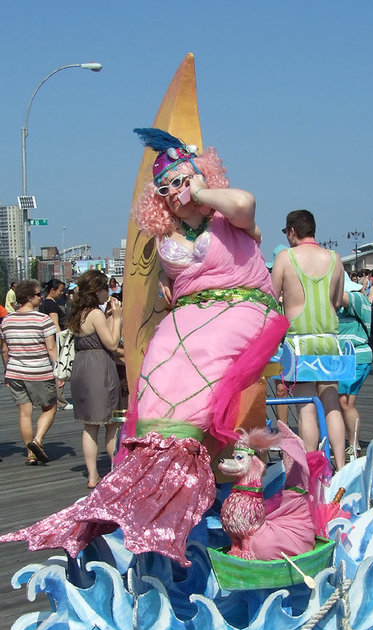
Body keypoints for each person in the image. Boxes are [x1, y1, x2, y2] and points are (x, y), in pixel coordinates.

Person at [0, 129, 288, 565]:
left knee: (205, 352)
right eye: (165, 187)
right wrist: (168, 298)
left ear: (199, 174)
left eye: (180, 180)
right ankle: (156, 461)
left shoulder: (228, 217)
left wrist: (203, 190)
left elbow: (247, 204)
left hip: (244, 305)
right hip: (193, 313)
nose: (174, 191)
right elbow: (169, 289)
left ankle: (184, 462)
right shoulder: (166, 240)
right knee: (159, 356)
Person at [271, 210, 346, 469]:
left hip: (299, 342)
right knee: (331, 402)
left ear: (292, 231)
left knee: (305, 406)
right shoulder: (335, 259)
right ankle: (342, 463)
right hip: (328, 339)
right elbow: (336, 302)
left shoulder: (285, 257)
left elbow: (272, 297)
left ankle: (310, 466)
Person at [68, 270, 123, 489]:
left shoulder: (77, 312)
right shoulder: (95, 314)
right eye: (106, 289)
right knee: (113, 423)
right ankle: (117, 470)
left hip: (82, 367)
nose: (108, 293)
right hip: (100, 369)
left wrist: (110, 315)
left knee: (90, 425)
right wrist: (117, 318)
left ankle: (92, 476)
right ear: (97, 290)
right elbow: (111, 343)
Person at [0, 279, 58, 465]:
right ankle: (37, 440)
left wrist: (7, 370)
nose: (41, 297)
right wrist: (58, 369)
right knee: (50, 407)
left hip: (15, 371)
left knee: (25, 413)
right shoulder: (43, 319)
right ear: (29, 297)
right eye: (38, 294)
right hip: (39, 370)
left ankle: (30, 454)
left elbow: (4, 350)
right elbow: (51, 349)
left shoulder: (7, 321)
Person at [338, 272, 373, 457]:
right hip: (343, 359)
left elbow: (339, 296)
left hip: (356, 357)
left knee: (344, 402)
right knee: (344, 402)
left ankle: (353, 443)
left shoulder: (357, 298)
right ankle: (353, 442)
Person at [40, 279, 73, 411]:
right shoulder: (52, 306)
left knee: (53, 370)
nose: (61, 293)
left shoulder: (43, 304)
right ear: (52, 291)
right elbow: (55, 324)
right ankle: (61, 401)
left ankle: (56, 399)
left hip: (48, 340)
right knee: (59, 369)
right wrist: (62, 342)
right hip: (54, 341)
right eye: (59, 290)